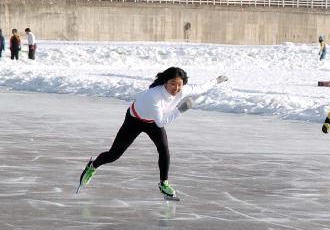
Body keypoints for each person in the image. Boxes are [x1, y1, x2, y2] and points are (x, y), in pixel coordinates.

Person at [77, 67, 229, 199]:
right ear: (165, 82)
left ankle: (164, 183)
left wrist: (217, 80)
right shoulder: (154, 95)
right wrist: (181, 109)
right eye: (172, 83)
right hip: (135, 120)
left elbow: (201, 88)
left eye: (179, 84)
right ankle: (93, 166)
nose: (176, 88)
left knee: (164, 150)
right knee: (114, 154)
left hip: (152, 122)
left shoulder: (183, 90)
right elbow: (161, 122)